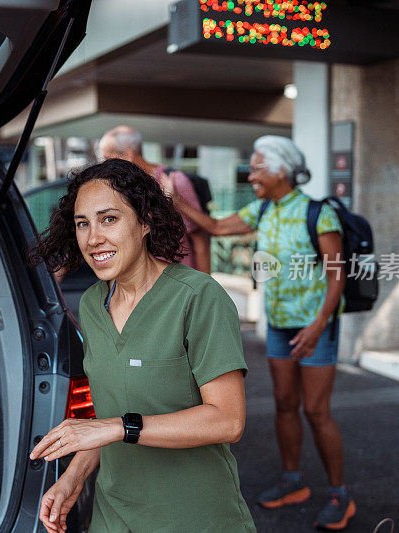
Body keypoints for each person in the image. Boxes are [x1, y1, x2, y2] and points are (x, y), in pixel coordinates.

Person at [28, 158, 254, 533]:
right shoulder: (91, 304)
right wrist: (74, 478)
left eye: (109, 219)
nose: (93, 237)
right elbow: (107, 415)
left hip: (194, 517)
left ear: (146, 221)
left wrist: (121, 427)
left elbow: (228, 420)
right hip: (114, 515)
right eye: (82, 223)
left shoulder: (198, 297)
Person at [162, 135, 354, 530]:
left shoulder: (319, 214)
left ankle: (340, 494)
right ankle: (293, 482)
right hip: (281, 326)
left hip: (315, 326)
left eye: (257, 168)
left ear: (282, 170)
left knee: (316, 412)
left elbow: (337, 276)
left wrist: (318, 325)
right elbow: (214, 226)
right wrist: (177, 203)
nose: (251, 176)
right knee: (285, 405)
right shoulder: (263, 209)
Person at [98, 126, 212, 273]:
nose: (104, 166)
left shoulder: (174, 181)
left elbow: (200, 241)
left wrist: (204, 289)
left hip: (178, 285)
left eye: (108, 159)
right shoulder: (122, 187)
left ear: (127, 155)